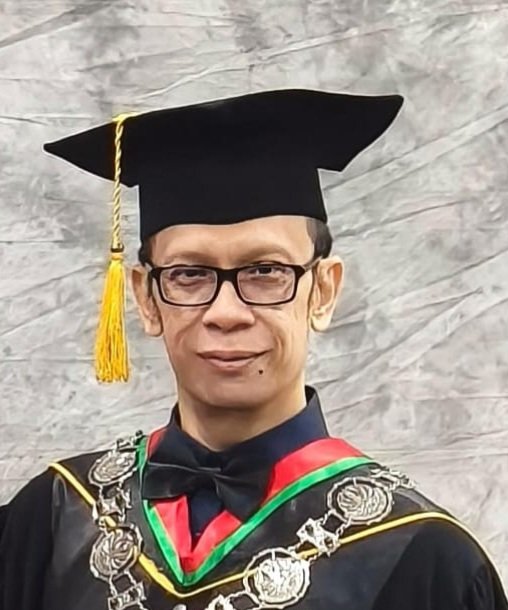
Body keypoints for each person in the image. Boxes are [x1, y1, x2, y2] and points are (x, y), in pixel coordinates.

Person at [0, 89, 506, 610]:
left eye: (266, 271)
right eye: (189, 274)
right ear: (147, 299)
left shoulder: (421, 562)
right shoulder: (57, 520)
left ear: (323, 292)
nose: (226, 312)